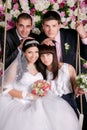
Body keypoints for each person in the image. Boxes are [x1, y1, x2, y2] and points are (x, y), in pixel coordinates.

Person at [0, 39, 81, 130]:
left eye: (36, 52)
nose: (34, 55)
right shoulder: (17, 66)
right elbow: (6, 89)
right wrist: (28, 95)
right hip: (21, 102)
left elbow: (53, 66)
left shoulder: (39, 66)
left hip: (38, 101)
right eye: (30, 52)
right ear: (24, 52)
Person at [37, 11, 87, 130]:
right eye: (47, 26)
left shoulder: (71, 35)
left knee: (82, 117)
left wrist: (84, 36)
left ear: (59, 25)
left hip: (72, 82)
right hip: (52, 87)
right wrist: (40, 47)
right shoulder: (38, 39)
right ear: (43, 26)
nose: (50, 30)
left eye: (54, 26)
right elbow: (32, 60)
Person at [39, 44, 84, 118]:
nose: (45, 58)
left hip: (68, 102)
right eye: (42, 56)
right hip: (50, 105)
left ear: (53, 54)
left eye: (48, 54)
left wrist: (80, 89)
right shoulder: (41, 72)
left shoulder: (67, 67)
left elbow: (75, 86)